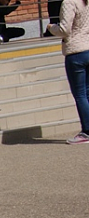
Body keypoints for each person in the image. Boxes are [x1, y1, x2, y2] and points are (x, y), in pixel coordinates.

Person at [49, 0, 89, 144]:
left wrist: (52, 28)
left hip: (75, 51)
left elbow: (64, 30)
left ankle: (87, 131)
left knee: (80, 94)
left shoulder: (69, 2)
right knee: (87, 92)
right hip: (88, 47)